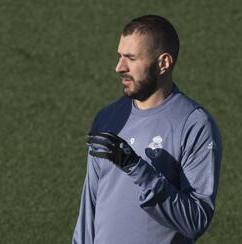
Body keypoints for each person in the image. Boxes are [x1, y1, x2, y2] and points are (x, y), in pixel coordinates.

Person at [72, 15, 222, 244]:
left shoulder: (194, 124)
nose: (119, 67)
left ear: (163, 63)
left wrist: (137, 168)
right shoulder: (109, 118)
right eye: (119, 56)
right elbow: (90, 205)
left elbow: (196, 220)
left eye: (131, 58)